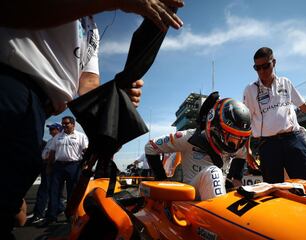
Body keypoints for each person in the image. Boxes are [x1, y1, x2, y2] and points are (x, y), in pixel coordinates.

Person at [0, 0, 184, 237]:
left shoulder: (92, 30)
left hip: (36, 112)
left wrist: (118, 97)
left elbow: (87, 85)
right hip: (11, 86)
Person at [243, 47, 306, 201]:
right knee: (273, 193)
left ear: (274, 62)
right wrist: (247, 149)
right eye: (257, 68)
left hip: (293, 140)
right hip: (268, 145)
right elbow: (246, 121)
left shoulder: (286, 83)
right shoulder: (250, 90)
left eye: (265, 66)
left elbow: (304, 106)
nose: (261, 71)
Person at [145, 98, 254, 200]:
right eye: (231, 137)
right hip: (191, 197)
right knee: (213, 172)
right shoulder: (189, 137)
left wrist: (237, 178)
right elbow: (151, 147)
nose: (234, 144)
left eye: (240, 139)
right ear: (215, 127)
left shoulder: (236, 147)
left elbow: (242, 155)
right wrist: (162, 180)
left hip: (218, 194)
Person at [40, 116, 88, 225]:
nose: (64, 125)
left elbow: (85, 151)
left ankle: (71, 215)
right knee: (54, 191)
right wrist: (49, 166)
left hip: (74, 166)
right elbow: (52, 152)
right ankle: (52, 216)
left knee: (72, 192)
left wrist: (86, 165)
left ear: (73, 124)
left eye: (67, 123)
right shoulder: (57, 137)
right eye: (63, 123)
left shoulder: (81, 136)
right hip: (58, 167)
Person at [28, 123, 63, 224]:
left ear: (58, 130)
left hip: (50, 166)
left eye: (52, 129)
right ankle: (59, 207)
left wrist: (48, 163)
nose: (50, 130)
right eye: (50, 129)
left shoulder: (58, 140)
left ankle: (38, 214)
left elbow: (56, 154)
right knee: (52, 190)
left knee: (43, 190)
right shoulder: (51, 140)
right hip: (46, 165)